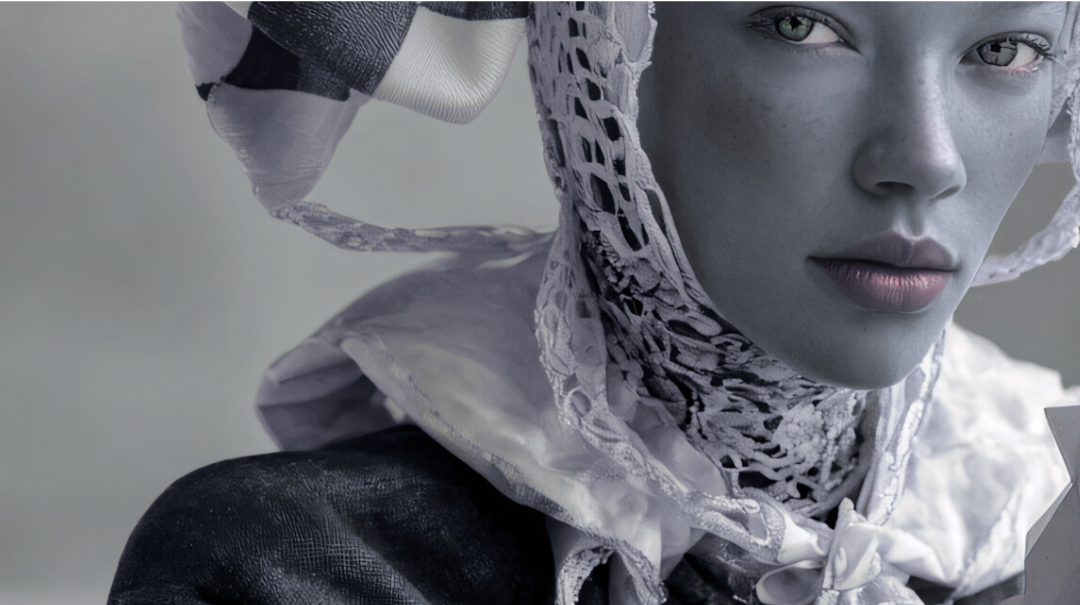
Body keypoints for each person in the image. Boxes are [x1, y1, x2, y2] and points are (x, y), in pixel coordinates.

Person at [109, 3, 1080, 604]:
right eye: (800, 25)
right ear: (602, 62)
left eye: (1008, 46)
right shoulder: (293, 570)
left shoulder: (1029, 512)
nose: (927, 160)